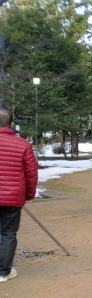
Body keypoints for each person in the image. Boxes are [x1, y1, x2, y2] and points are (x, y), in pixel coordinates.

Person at [0, 108, 38, 283]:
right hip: (12, 197)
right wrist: (29, 194)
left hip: (11, 196)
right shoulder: (23, 144)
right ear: (11, 124)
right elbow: (31, 173)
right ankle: (3, 271)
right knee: (8, 233)